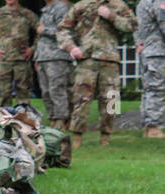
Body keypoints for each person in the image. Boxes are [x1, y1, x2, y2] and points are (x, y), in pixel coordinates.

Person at [58, 0, 135, 147]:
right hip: (87, 59)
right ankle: (77, 137)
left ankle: (106, 137)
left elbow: (132, 25)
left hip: (110, 59)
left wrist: (111, 16)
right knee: (81, 98)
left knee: (112, 100)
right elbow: (62, 28)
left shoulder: (119, 5)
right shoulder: (81, 5)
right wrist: (71, 47)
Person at [0, 0, 39, 108]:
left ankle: (23, 120)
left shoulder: (27, 14)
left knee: (24, 93)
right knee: (4, 94)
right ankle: (4, 121)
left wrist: (32, 49)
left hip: (22, 60)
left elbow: (41, 31)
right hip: (3, 60)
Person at [36, 0, 75, 130]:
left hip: (57, 55)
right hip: (43, 57)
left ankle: (61, 119)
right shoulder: (45, 9)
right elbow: (40, 38)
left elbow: (64, 32)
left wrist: (43, 29)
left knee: (57, 89)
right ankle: (53, 118)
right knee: (46, 91)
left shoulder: (61, 8)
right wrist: (37, 57)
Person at [138, 0, 165, 138]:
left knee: (149, 89)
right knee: (157, 89)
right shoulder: (159, 2)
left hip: (148, 51)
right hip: (158, 52)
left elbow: (139, 29)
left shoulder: (143, 3)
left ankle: (148, 126)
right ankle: (154, 127)